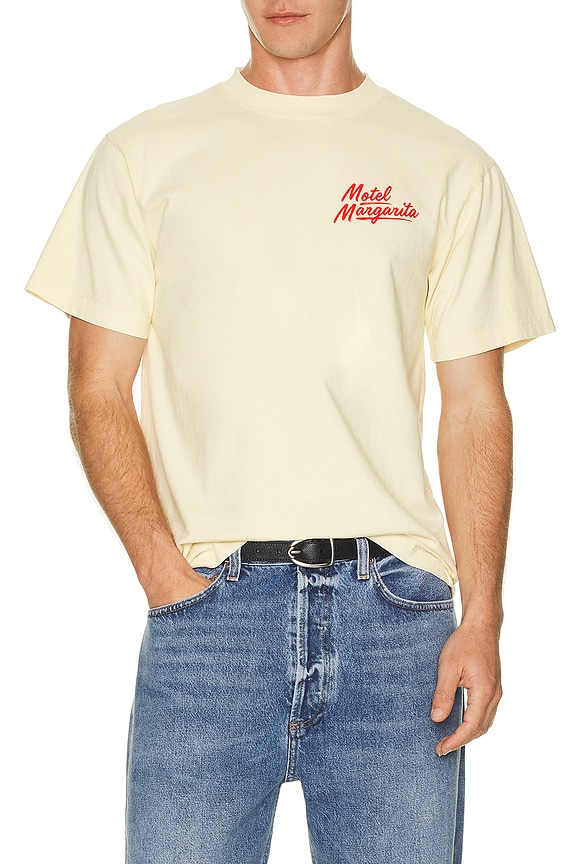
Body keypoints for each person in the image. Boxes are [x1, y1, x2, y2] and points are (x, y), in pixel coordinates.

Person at [25, 1, 554, 862]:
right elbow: (97, 388)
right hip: (208, 618)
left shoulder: (450, 166)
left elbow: (474, 407)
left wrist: (484, 617)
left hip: (397, 625)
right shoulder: (141, 156)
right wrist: (164, 575)